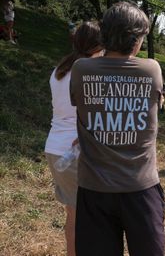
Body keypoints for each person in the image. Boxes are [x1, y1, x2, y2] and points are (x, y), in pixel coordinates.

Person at [70, 2, 165, 255]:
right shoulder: (151, 69)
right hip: (141, 188)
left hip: (94, 189)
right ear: (134, 38)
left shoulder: (81, 69)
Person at [44, 21, 103, 256]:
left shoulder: (61, 67)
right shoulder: (88, 70)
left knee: (74, 215)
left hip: (56, 147)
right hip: (76, 149)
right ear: (98, 44)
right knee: (88, 219)